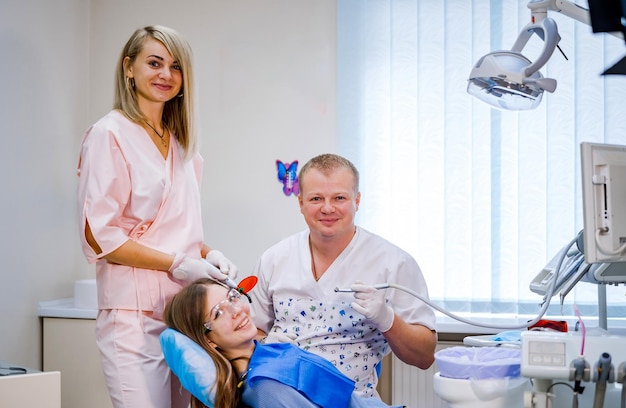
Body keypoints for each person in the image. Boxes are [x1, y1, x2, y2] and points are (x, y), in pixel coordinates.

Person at [76, 25, 238, 408]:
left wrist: (208, 254)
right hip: (132, 317)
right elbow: (101, 236)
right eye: (154, 63)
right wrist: (178, 262)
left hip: (184, 315)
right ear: (129, 68)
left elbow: (180, 230)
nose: (166, 74)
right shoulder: (108, 134)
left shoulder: (183, 146)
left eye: (175, 66)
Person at [249, 153, 438, 400]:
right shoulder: (274, 259)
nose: (327, 208)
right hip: (283, 390)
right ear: (300, 203)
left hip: (351, 398)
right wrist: (268, 344)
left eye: (339, 198)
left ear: (357, 200)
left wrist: (388, 320)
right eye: (316, 198)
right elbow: (250, 331)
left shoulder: (394, 264)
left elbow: (424, 356)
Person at [163, 278, 394, 408]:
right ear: (208, 340)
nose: (236, 310)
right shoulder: (265, 385)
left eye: (233, 297)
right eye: (218, 313)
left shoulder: (265, 353)